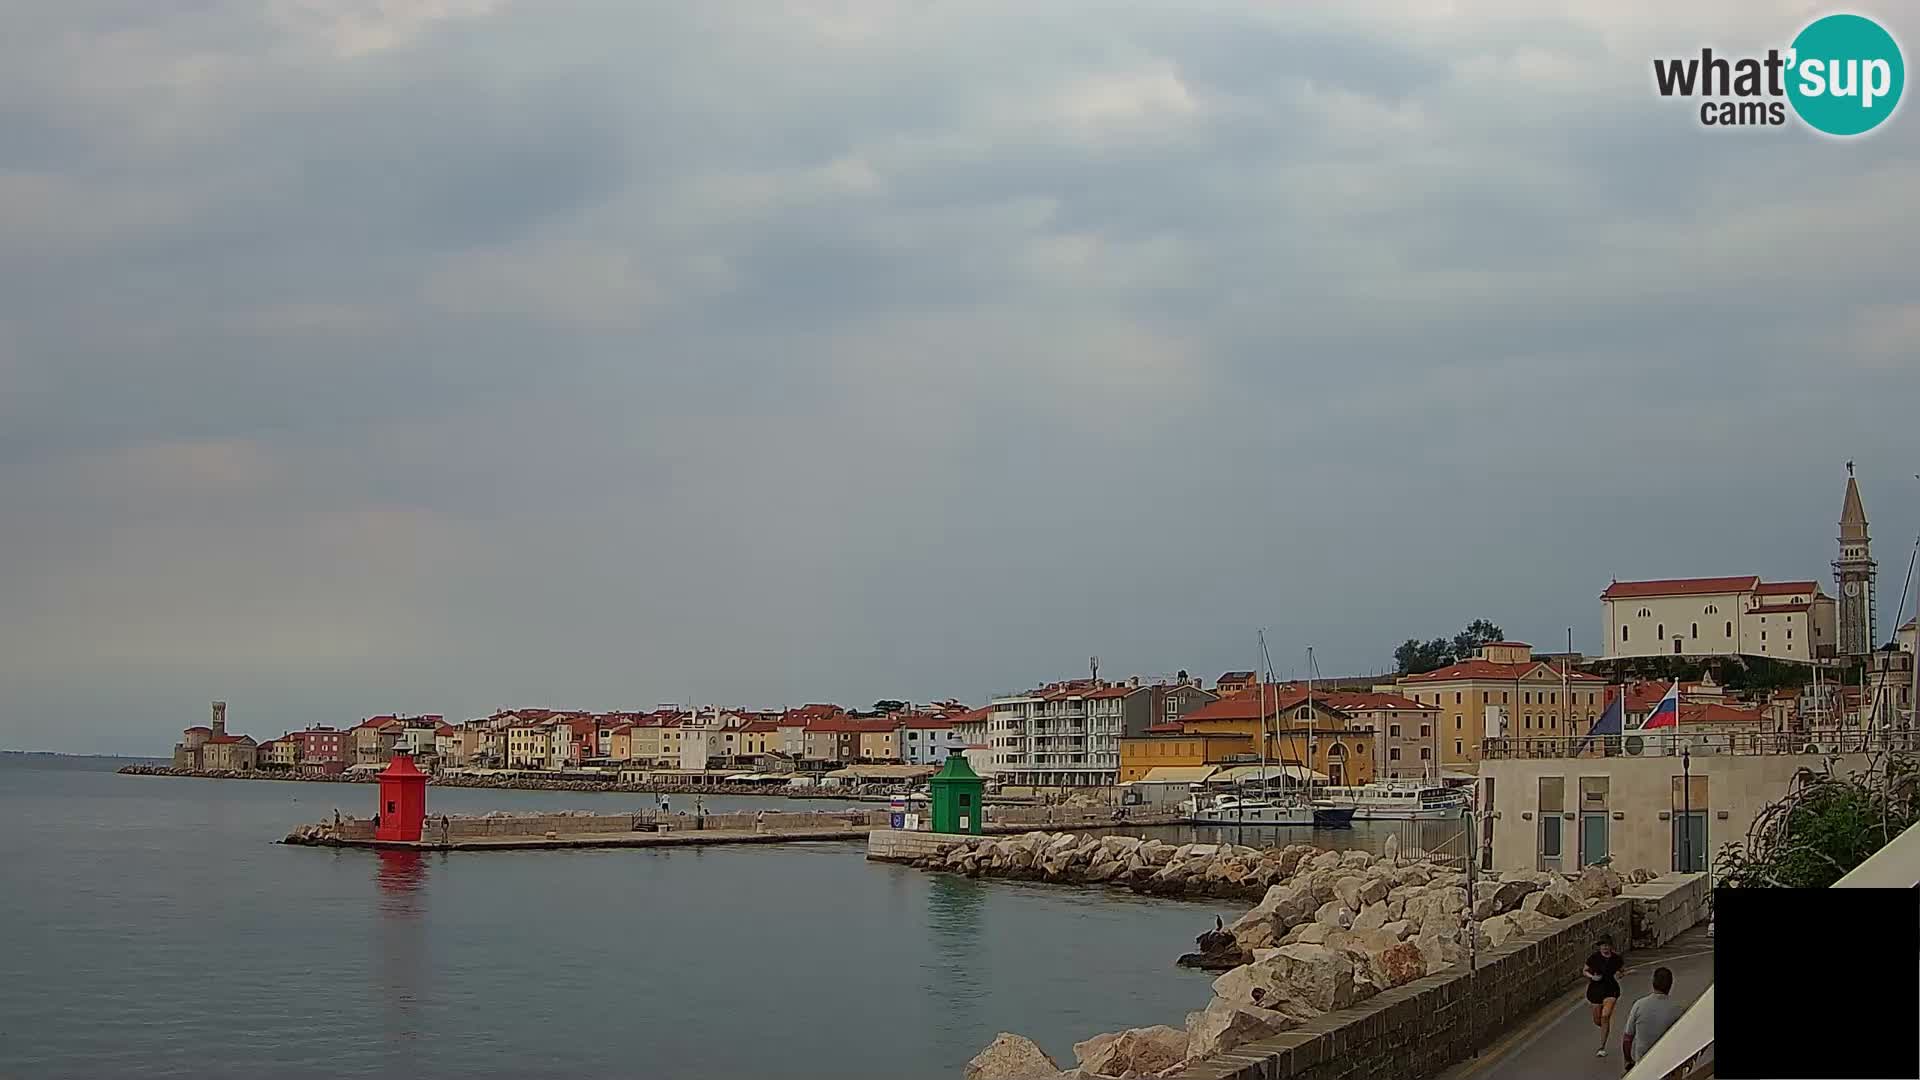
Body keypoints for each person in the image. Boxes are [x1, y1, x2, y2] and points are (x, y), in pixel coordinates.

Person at [1622, 966, 1685, 1070]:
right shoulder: (1678, 1009)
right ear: (1670, 985)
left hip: (1643, 1063)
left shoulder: (1639, 1005)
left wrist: (1628, 1060)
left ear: (1653, 982)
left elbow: (1627, 1039)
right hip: (1666, 1064)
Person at [1583, 935, 1626, 1057]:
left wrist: (1619, 974)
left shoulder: (1616, 959)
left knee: (1605, 1016)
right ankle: (1604, 1027)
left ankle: (1602, 1047)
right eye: (1602, 945)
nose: (1605, 948)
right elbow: (1585, 970)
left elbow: (1622, 970)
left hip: (1611, 989)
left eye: (1607, 945)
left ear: (1611, 946)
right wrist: (1592, 977)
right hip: (1595, 990)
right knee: (1598, 1020)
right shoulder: (1594, 958)